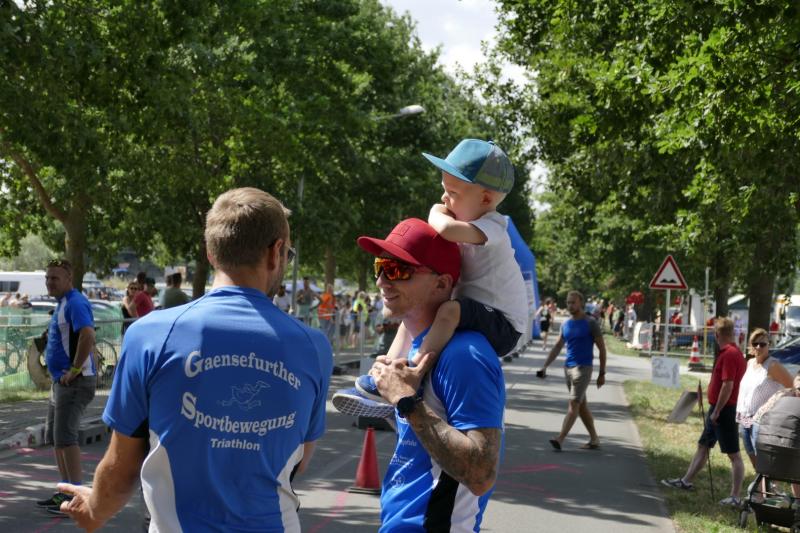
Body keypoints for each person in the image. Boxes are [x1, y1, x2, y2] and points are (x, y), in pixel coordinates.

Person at [56, 187, 333, 531]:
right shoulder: (313, 347)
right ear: (275, 252)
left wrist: (94, 510)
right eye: (288, 253)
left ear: (211, 254)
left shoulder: (149, 335)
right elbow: (298, 460)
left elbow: (121, 468)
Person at [350, 139, 528, 405]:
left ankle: (414, 372)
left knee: (449, 311)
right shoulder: (470, 226)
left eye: (452, 193)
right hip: (477, 307)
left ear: (486, 198)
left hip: (505, 324)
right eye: (443, 190)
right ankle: (386, 371)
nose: (444, 198)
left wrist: (434, 210)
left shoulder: (494, 227)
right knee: (411, 317)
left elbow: (444, 229)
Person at [359, 218, 505, 531]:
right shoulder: (416, 349)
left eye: (397, 270)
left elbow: (481, 474)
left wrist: (405, 400)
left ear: (441, 284)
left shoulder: (465, 355)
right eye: (379, 267)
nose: (382, 281)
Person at [661, 317, 747, 507]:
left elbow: (728, 385)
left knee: (734, 454)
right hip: (718, 408)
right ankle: (686, 481)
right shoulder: (732, 352)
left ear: (717, 335)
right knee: (703, 446)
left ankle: (735, 496)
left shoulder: (730, 354)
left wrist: (717, 411)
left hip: (724, 410)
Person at [34, 259, 97, 515]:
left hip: (75, 383)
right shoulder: (62, 303)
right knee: (56, 437)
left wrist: (74, 369)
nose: (49, 282)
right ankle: (65, 491)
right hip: (60, 382)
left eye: (55, 278)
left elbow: (88, 335)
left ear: (69, 279)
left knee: (66, 438)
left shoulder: (75, 302)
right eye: (47, 278)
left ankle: (77, 498)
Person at [536, 290, 606, 450]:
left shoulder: (590, 323)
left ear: (581, 303)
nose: (570, 305)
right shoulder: (566, 324)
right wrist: (545, 366)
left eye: (573, 302)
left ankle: (560, 438)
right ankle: (594, 439)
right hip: (568, 368)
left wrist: (602, 373)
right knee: (581, 406)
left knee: (573, 404)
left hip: (583, 369)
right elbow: (557, 346)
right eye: (568, 302)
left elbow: (602, 349)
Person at [735, 328, 792, 474]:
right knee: (753, 458)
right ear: (751, 345)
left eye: (763, 344)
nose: (759, 347)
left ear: (769, 345)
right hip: (744, 418)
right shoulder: (750, 363)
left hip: (761, 421)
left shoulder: (773, 366)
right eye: (755, 343)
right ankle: (764, 486)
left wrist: (777, 405)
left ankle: (768, 486)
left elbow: (793, 387)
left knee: (763, 460)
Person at [751, 370, 800, 498]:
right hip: (766, 430)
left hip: (775, 435)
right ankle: (764, 496)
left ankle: (768, 495)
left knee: (785, 466)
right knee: (774, 467)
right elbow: (765, 416)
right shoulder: (783, 395)